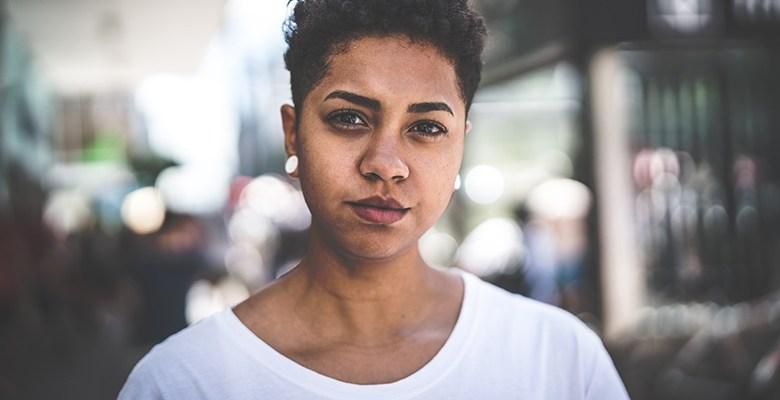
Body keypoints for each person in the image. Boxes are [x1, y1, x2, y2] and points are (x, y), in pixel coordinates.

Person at [119, 0, 630, 398]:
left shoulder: (558, 360)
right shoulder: (184, 382)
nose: (386, 163)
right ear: (293, 134)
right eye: (349, 118)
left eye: (427, 127)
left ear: (461, 146)